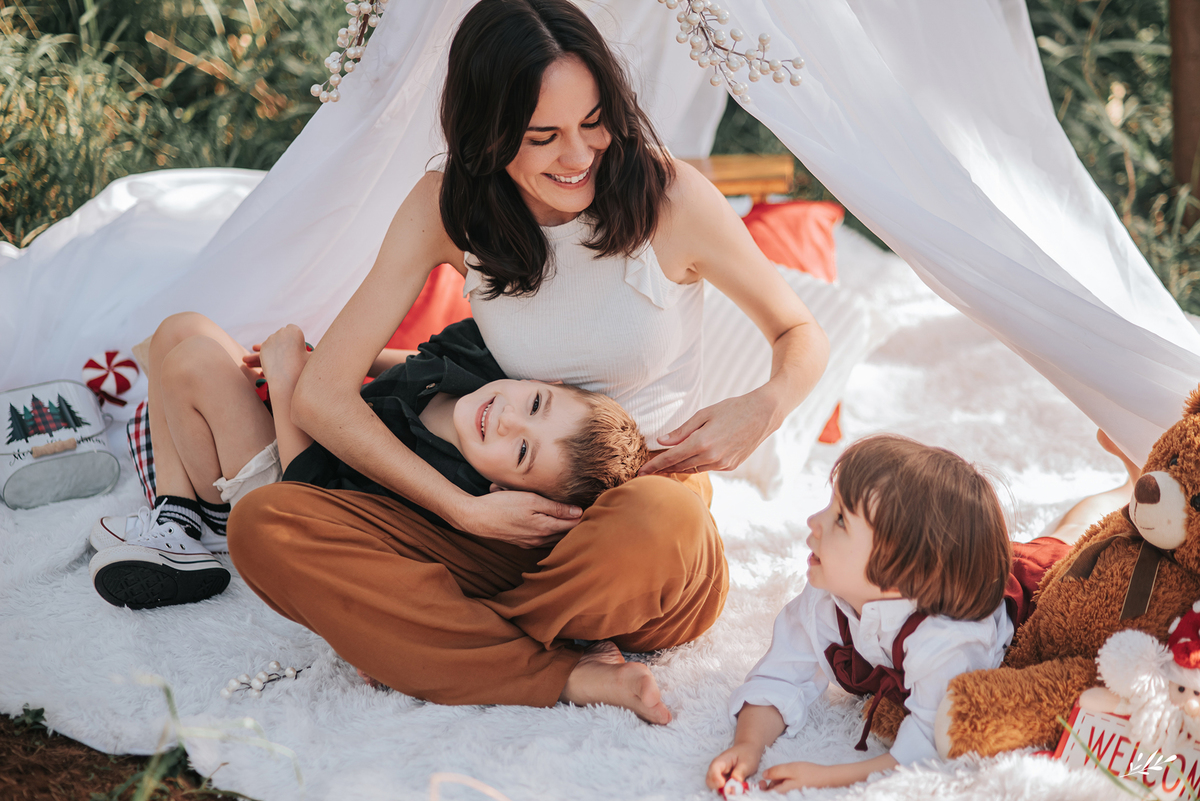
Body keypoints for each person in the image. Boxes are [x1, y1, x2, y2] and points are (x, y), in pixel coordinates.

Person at [227, 0, 829, 725]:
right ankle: (567, 671)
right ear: (487, 134)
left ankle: (434, 639)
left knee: (657, 520)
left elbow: (798, 330)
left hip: (637, 533)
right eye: (542, 136)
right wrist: (463, 509)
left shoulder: (670, 198)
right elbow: (323, 394)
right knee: (267, 523)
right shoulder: (448, 208)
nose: (577, 157)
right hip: (501, 518)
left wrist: (762, 407)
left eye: (593, 122)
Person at [89, 311, 649, 610]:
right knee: (180, 328)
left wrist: (288, 383)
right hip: (302, 418)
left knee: (189, 362)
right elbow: (414, 363)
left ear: (507, 492)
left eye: (521, 451)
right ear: (542, 380)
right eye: (534, 404)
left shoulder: (443, 478)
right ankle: (178, 515)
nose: (507, 419)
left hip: (285, 480)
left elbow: (309, 491)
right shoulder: (479, 361)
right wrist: (325, 358)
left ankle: (201, 526)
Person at [705, 432, 1143, 793]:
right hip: (957, 570)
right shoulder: (829, 594)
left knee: (1070, 541)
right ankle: (1127, 483)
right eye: (830, 506)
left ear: (901, 572)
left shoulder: (947, 638)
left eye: (840, 520)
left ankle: (1130, 489)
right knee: (1058, 532)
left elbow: (928, 749)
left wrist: (826, 776)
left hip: (1034, 589)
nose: (812, 521)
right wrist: (748, 744)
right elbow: (780, 676)